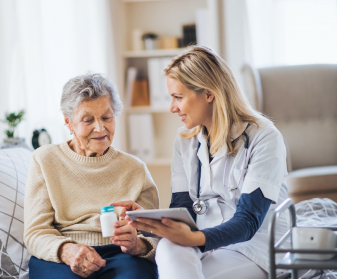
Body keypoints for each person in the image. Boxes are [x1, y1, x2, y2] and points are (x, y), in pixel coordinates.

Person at [113, 46, 289, 279]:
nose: (172, 107)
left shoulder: (264, 137)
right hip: (202, 240)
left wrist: (194, 239)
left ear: (208, 93)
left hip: (252, 246)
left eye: (178, 97)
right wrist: (150, 220)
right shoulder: (185, 140)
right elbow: (184, 210)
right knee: (168, 247)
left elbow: (248, 222)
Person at [23, 73, 159, 279]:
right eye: (88, 120)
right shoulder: (44, 160)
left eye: (107, 117)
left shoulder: (135, 169)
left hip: (121, 254)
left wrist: (137, 245)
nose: (100, 128)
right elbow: (35, 233)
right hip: (63, 253)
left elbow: (156, 237)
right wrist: (67, 251)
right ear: (68, 122)